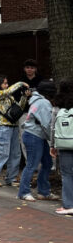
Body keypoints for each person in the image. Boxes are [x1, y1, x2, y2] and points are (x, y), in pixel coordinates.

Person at [0, 74, 29, 188]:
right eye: (4, 83)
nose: (7, 85)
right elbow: (8, 91)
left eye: (7, 83)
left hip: (13, 126)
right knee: (2, 153)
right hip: (3, 127)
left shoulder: (9, 96)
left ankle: (11, 178)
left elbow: (19, 108)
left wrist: (24, 97)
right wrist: (20, 83)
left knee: (15, 153)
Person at [18, 79, 58, 202]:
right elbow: (47, 124)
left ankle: (44, 191)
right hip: (34, 135)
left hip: (35, 135)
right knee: (32, 164)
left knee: (47, 163)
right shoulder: (44, 103)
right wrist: (53, 141)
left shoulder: (36, 99)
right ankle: (24, 192)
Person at [51, 78, 73, 216]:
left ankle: (68, 205)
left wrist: (52, 145)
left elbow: (52, 126)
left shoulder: (57, 105)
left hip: (64, 144)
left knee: (67, 174)